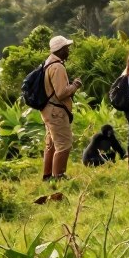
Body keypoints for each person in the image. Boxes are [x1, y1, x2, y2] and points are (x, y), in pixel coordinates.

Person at [41, 35, 82, 181]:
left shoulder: (48, 63)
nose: (68, 51)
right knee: (64, 144)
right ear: (61, 50)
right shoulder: (57, 67)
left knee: (51, 144)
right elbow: (61, 93)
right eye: (67, 48)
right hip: (56, 112)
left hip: (48, 110)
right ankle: (58, 176)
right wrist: (75, 86)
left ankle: (47, 176)